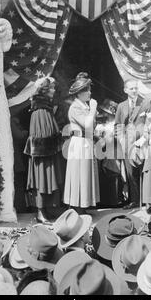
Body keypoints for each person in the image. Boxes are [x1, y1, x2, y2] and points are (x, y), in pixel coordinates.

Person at [24, 77, 64, 223]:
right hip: (42, 153)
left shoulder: (45, 106)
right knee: (42, 180)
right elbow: (40, 133)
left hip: (48, 151)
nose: (53, 90)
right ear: (44, 90)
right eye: (51, 88)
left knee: (48, 179)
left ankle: (48, 210)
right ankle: (40, 212)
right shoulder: (39, 108)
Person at [63, 75, 100, 210]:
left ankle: (83, 205)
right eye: (87, 90)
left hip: (86, 141)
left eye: (89, 89)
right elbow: (87, 124)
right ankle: (76, 206)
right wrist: (93, 109)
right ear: (79, 93)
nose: (90, 92)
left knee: (85, 173)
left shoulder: (84, 106)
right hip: (79, 143)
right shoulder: (75, 107)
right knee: (79, 173)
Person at [115, 79, 151, 210]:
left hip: (142, 143)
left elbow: (149, 123)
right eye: (131, 89)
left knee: (144, 171)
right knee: (131, 173)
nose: (135, 91)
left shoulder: (145, 104)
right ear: (125, 90)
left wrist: (143, 141)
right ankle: (135, 201)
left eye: (136, 88)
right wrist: (122, 141)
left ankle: (147, 201)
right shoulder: (121, 106)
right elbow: (118, 126)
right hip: (127, 144)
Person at [95, 98, 127, 207]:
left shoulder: (115, 125)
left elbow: (110, 140)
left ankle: (115, 200)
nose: (104, 114)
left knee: (113, 174)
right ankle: (107, 200)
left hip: (113, 152)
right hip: (105, 152)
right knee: (105, 175)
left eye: (106, 112)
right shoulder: (104, 124)